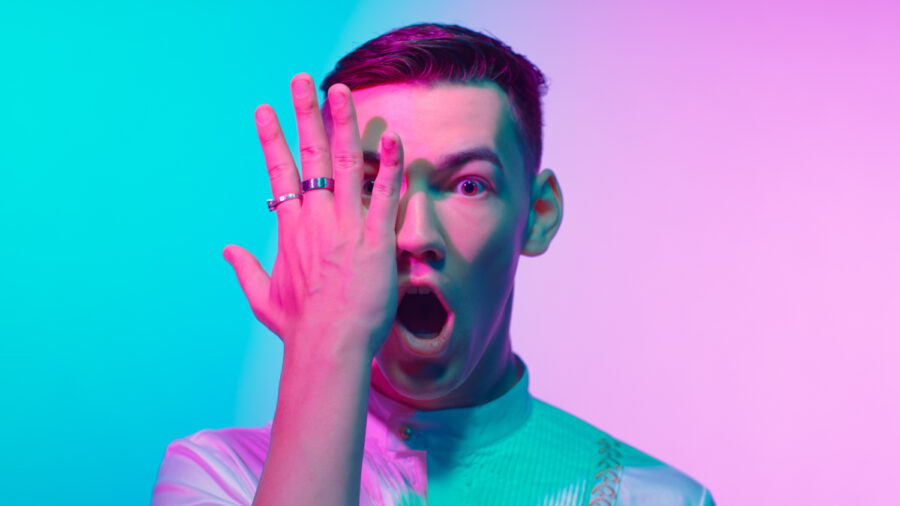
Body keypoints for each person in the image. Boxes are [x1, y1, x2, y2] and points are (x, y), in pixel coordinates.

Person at [152, 23, 715, 506]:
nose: (415, 234)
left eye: (469, 185)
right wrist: (324, 346)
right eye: (370, 185)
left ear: (537, 215)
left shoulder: (661, 499)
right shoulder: (217, 476)